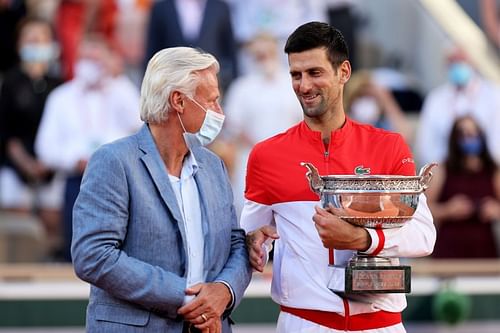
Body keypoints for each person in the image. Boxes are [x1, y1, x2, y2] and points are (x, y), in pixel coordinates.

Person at [241, 22, 436, 333]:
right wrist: (252, 247)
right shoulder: (266, 155)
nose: (303, 86)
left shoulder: (388, 146)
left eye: (314, 73)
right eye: (295, 75)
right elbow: (248, 238)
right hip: (303, 323)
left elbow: (424, 235)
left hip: (381, 325)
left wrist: (364, 240)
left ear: (343, 72)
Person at [71, 46, 252, 332]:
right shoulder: (114, 161)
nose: (220, 112)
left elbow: (235, 243)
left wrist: (223, 291)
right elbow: (93, 255)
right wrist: (188, 297)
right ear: (179, 101)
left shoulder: (213, 165)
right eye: (213, 101)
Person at [35, 34, 141, 261]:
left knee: (123, 248)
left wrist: (117, 79)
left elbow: (142, 129)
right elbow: (45, 146)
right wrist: (74, 160)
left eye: (96, 59)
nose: (90, 65)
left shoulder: (123, 91)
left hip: (119, 180)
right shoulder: (61, 97)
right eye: (85, 58)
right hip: (77, 180)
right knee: (79, 248)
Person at [0, 16, 63, 258]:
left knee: (53, 216)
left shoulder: (58, 84)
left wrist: (48, 162)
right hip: (16, 162)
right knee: (19, 217)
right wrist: (26, 163)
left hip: (52, 164)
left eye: (42, 39)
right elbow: (7, 132)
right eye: (31, 39)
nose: (37, 45)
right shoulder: (11, 83)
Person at [223, 32, 302, 215]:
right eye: (258, 54)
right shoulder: (242, 87)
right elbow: (234, 126)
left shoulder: (291, 83)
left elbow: (302, 119)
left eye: (267, 52)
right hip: (251, 160)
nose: (264, 58)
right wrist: (261, 149)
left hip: (289, 159)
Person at [426, 115, 500, 258]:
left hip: (484, 249)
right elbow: (425, 210)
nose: (470, 139)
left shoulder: (493, 171)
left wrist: (494, 209)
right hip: (450, 249)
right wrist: (448, 210)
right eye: (464, 134)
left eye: (474, 133)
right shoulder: (442, 170)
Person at [415, 46, 500, 166]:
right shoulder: (435, 99)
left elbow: (497, 142)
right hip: (447, 173)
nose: (457, 65)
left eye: (461, 59)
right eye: (452, 61)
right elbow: (426, 146)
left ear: (473, 61)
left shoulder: (494, 95)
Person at [344, 70, 412, 143]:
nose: (366, 103)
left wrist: (387, 100)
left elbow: (405, 138)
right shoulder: (343, 125)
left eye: (369, 97)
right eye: (360, 96)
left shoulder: (384, 124)